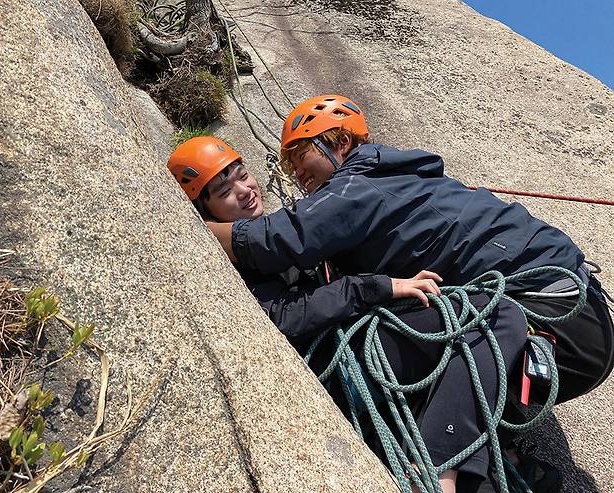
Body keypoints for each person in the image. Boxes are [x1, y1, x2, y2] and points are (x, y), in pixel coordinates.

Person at [168, 136, 530, 493]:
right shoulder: (233, 261)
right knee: (485, 312)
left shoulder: (276, 234)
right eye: (224, 190)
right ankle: (435, 473)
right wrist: (379, 287)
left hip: (355, 353)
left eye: (241, 174)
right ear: (207, 212)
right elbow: (282, 319)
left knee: (497, 313)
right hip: (337, 365)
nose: (244, 189)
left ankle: (483, 465)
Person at [206, 94, 614, 409]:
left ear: (341, 143)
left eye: (301, 154)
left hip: (546, 310)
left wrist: (197, 227)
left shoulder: (357, 186)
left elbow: (279, 237)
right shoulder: (393, 178)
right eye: (288, 162)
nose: (295, 170)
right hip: (574, 317)